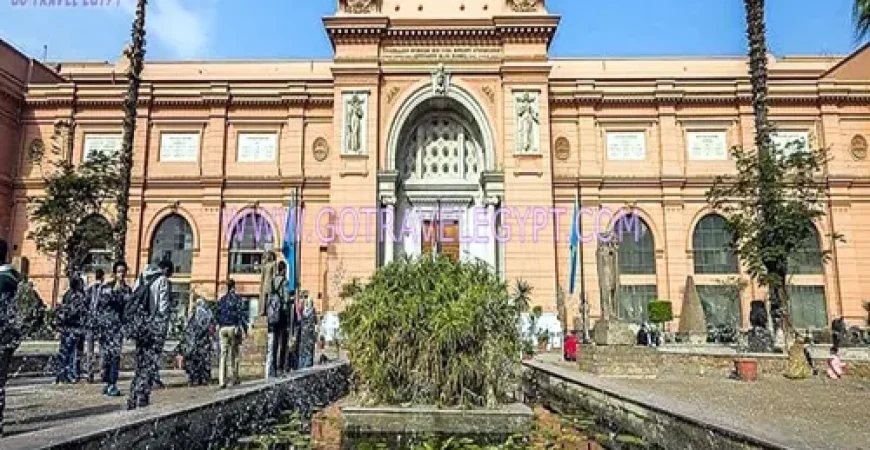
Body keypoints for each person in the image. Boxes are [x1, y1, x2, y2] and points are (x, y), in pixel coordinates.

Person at [0, 251, 45, 437]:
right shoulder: (19, 282)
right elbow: (38, 310)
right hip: (7, 340)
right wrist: (19, 333)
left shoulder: (3, 281)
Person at [127, 259, 173, 410]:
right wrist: (162, 330)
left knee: (140, 362)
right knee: (150, 362)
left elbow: (132, 301)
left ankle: (133, 395)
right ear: (165, 269)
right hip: (153, 328)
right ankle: (143, 396)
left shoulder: (141, 277)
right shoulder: (162, 280)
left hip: (140, 327)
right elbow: (163, 308)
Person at [95, 261, 130, 396]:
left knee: (115, 356)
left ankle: (112, 383)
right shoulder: (108, 287)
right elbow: (102, 303)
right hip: (106, 327)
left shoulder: (127, 289)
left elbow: (127, 309)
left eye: (123, 271)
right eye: (119, 271)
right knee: (105, 356)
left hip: (117, 329)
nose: (121, 274)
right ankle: (107, 381)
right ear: (115, 273)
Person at [54, 274, 88, 384]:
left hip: (70, 328)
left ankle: (63, 375)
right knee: (72, 352)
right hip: (73, 327)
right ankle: (70, 374)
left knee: (67, 351)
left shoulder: (68, 295)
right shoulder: (77, 296)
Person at [217, 280, 248, 388]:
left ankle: (222, 381)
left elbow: (217, 313)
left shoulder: (222, 300)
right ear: (233, 287)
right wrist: (245, 329)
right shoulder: (237, 299)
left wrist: (219, 325)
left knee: (223, 355)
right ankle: (234, 378)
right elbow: (241, 314)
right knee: (234, 353)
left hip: (222, 328)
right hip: (233, 328)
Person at [265, 261, 291, 379]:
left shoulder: (272, 281)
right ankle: (281, 368)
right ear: (284, 270)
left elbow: (269, 296)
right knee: (283, 341)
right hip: (282, 314)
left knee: (274, 342)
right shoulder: (284, 282)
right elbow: (285, 298)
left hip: (273, 314)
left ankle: (273, 368)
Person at [184, 297, 215, 386]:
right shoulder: (208, 314)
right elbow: (210, 327)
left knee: (195, 360)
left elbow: (189, 329)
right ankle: (203, 379)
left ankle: (194, 379)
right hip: (203, 342)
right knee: (203, 361)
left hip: (196, 342)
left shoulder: (194, 315)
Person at [83, 268, 105, 383]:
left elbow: (85, 305)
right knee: (102, 349)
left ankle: (89, 374)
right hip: (101, 323)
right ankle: (102, 372)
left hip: (90, 322)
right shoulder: (105, 289)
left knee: (90, 350)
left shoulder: (89, 289)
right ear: (102, 277)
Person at [294, 293, 318, 370]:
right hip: (309, 333)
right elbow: (316, 321)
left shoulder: (304, 311)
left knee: (304, 349)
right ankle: (307, 363)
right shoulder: (312, 310)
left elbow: (299, 318)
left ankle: (303, 364)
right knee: (308, 349)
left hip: (305, 333)